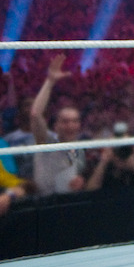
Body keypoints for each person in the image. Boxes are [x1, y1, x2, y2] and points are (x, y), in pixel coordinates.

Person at [29, 54, 87, 196]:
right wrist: (50, 81)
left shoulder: (79, 150)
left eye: (75, 121)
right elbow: (35, 114)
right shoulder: (47, 143)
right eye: (65, 121)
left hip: (68, 203)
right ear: (56, 126)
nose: (70, 125)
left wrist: (80, 181)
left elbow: (77, 178)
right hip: (44, 204)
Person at [84, 123, 134, 191]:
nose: (121, 149)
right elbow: (90, 190)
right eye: (117, 146)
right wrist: (104, 162)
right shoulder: (101, 161)